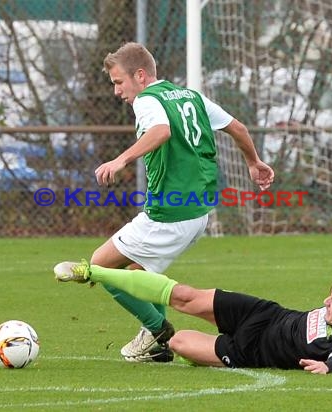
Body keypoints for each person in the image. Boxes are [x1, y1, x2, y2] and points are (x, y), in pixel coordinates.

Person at [72, 42, 275, 362]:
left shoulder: (146, 99)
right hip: (198, 213)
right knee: (139, 273)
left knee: (100, 266)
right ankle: (155, 343)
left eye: (119, 82)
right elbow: (237, 127)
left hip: (169, 214)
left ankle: (157, 330)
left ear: (140, 76)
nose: (116, 91)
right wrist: (253, 162)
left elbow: (161, 131)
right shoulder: (190, 96)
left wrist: (121, 160)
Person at [53, 260, 332, 373]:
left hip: (249, 352)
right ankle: (91, 271)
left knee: (178, 341)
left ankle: (164, 343)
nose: (325, 302)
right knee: (184, 296)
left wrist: (327, 368)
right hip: (263, 312)